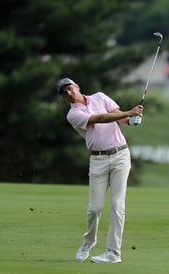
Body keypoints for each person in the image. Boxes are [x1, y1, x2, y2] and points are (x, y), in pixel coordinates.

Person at [57, 78, 143, 263]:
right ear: (64, 98)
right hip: (98, 160)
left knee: (117, 205)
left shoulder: (100, 97)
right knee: (94, 209)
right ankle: (89, 241)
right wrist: (130, 111)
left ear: (78, 87)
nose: (69, 93)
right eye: (65, 93)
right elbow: (99, 119)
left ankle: (113, 253)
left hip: (121, 155)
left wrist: (131, 120)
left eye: (70, 89)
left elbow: (118, 116)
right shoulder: (73, 115)